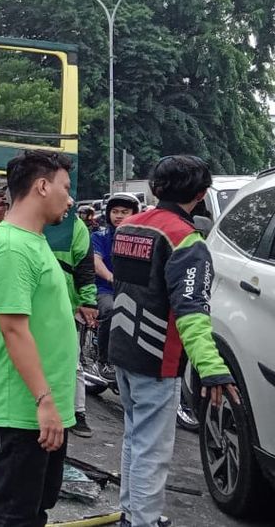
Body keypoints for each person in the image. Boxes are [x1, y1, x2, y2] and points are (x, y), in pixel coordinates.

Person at [107, 155, 238, 527]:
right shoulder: (186, 241)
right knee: (152, 448)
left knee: (135, 437)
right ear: (201, 194)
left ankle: (132, 514)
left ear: (153, 187)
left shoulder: (129, 226)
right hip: (155, 358)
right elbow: (192, 313)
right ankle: (142, 522)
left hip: (121, 348)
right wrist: (213, 369)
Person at [0, 150, 76, 527]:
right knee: (11, 516)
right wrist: (44, 400)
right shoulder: (13, 247)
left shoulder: (33, 241)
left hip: (44, 409)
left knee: (35, 510)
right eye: (65, 187)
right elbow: (13, 329)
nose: (70, 197)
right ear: (42, 185)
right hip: (24, 409)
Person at [52, 214, 99, 438]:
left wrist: (87, 300)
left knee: (73, 360)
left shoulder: (75, 226)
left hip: (65, 303)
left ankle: (77, 412)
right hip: (30, 301)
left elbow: (85, 265)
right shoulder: (27, 218)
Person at [90, 192, 140, 380]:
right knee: (112, 310)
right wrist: (112, 278)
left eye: (124, 212)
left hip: (134, 289)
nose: (119, 216)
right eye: (115, 211)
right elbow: (96, 262)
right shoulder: (100, 236)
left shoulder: (142, 237)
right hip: (106, 289)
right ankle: (104, 360)